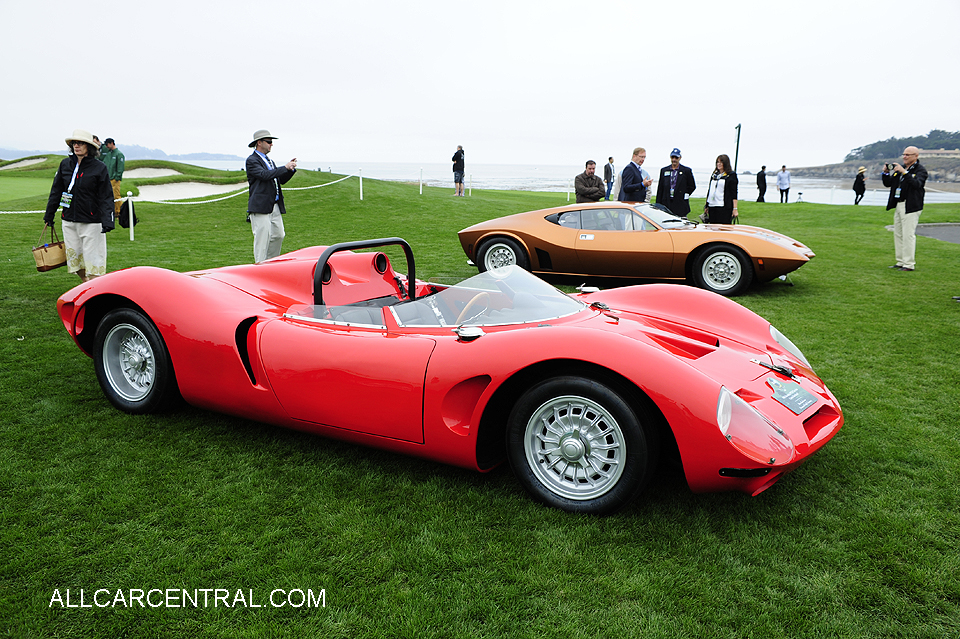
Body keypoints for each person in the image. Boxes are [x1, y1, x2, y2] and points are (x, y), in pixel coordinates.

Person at [43, 129, 114, 282]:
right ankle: (86, 285)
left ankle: (94, 292)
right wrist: (49, 214)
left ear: (89, 147)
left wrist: (108, 220)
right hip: (69, 220)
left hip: (91, 221)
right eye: (74, 143)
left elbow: (106, 196)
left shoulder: (99, 168)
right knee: (75, 260)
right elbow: (56, 191)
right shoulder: (65, 165)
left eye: (80, 143)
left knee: (93, 260)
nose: (77, 146)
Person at [246, 129, 297, 263]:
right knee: (262, 239)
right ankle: (259, 267)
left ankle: (270, 265)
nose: (271, 144)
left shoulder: (269, 161)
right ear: (259, 143)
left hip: (274, 205)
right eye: (268, 141)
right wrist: (284, 167)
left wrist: (289, 170)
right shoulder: (252, 160)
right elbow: (264, 175)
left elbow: (280, 180)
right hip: (260, 206)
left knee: (279, 235)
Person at [883, 146, 927, 271]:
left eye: (908, 155)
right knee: (898, 234)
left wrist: (904, 172)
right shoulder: (900, 169)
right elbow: (888, 183)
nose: (905, 157)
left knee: (908, 235)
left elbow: (917, 184)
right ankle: (900, 261)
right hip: (899, 203)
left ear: (916, 156)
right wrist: (886, 173)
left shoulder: (920, 170)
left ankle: (909, 264)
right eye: (904, 154)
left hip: (911, 205)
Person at [654, 148, 697, 218]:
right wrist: (658, 204)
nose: (674, 159)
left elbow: (692, 186)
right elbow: (660, 188)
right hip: (666, 203)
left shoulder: (686, 171)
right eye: (672, 157)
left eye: (676, 158)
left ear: (680, 158)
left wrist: (683, 194)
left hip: (680, 204)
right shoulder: (664, 170)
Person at [703, 154, 739, 224]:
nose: (719, 164)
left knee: (723, 227)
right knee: (712, 227)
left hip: (724, 207)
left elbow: (734, 193)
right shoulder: (714, 175)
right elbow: (710, 190)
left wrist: (735, 208)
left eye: (721, 162)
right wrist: (707, 205)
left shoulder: (731, 175)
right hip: (712, 206)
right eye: (718, 162)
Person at [100, 137, 125, 215]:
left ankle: (120, 212)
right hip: (108, 178)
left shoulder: (119, 154)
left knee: (116, 195)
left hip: (114, 179)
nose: (106, 146)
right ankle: (113, 211)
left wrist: (117, 177)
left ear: (111, 143)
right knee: (110, 196)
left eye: (107, 144)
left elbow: (120, 167)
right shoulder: (109, 154)